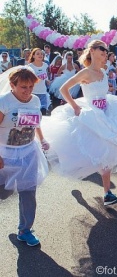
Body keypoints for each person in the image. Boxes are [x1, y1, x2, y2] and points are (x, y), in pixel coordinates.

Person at [41, 40, 117, 206]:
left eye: (106, 51)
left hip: (107, 112)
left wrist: (109, 90)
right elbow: (63, 89)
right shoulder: (85, 73)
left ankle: (107, 193)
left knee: (109, 152)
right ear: (92, 51)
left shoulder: (104, 71)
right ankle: (100, 190)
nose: (105, 53)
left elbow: (103, 90)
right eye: (102, 50)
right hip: (91, 115)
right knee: (84, 151)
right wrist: (75, 106)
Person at [0, 67, 49, 246]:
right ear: (12, 85)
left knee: (28, 192)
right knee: (3, 193)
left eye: (30, 87)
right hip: (5, 154)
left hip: (28, 152)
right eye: (23, 87)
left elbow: (35, 123)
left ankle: (25, 230)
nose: (28, 91)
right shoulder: (4, 102)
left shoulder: (35, 100)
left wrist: (42, 139)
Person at [28, 48, 50, 115]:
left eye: (41, 54)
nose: (40, 55)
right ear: (33, 56)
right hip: (33, 92)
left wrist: (47, 80)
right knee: (34, 112)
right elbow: (28, 79)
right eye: (37, 54)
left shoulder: (45, 65)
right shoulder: (30, 66)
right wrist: (37, 78)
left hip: (43, 92)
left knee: (43, 111)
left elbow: (46, 75)